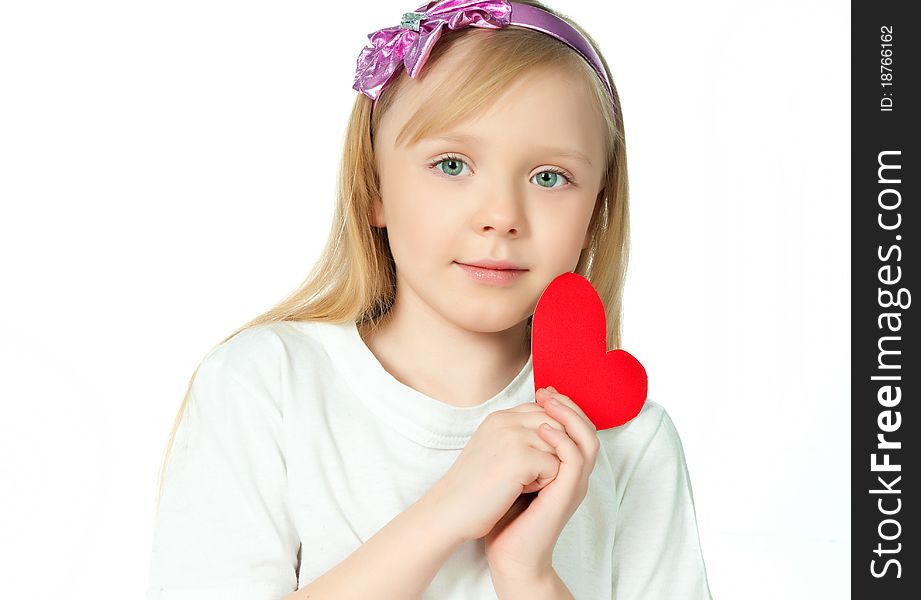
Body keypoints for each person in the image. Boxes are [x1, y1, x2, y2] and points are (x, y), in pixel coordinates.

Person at [145, 1, 713, 598]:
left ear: (596, 209)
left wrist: (528, 574)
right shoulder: (266, 388)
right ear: (374, 189)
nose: (501, 217)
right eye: (451, 164)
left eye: (549, 177)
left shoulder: (632, 442)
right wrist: (444, 513)